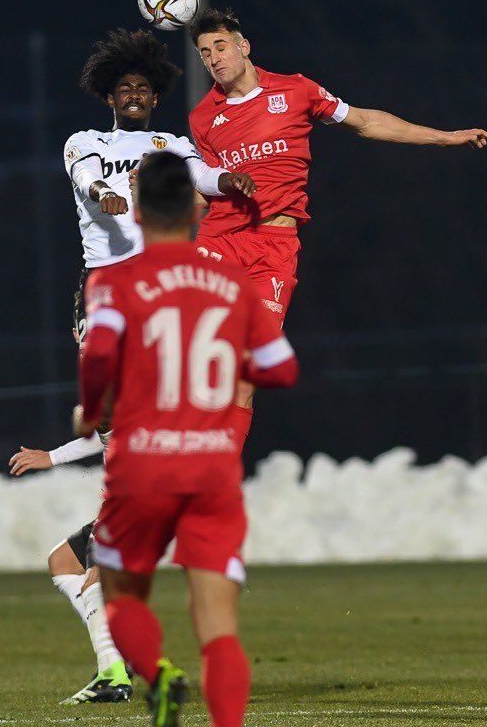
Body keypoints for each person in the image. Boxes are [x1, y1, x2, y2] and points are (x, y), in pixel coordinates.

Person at [8, 27, 254, 706]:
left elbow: (199, 176)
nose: (136, 96)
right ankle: (115, 665)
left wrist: (226, 179)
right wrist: (108, 198)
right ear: (110, 97)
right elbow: (88, 181)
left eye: (145, 88)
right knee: (70, 551)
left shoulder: (170, 146)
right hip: (108, 289)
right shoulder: (85, 145)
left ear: (156, 96)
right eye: (125, 90)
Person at [186, 7, 487, 453]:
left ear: (243, 45)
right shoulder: (203, 118)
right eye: (203, 53)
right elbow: (204, 194)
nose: (213, 58)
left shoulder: (296, 91)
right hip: (221, 241)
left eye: (219, 46)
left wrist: (444, 137)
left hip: (274, 248)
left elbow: (366, 122)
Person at [74, 151, 299, 727]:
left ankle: (160, 676)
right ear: (197, 210)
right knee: (219, 630)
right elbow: (280, 369)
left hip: (144, 464)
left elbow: (98, 359)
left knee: (122, 598)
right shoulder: (232, 283)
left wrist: (89, 412)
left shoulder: (113, 281)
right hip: (210, 469)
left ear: (140, 212)